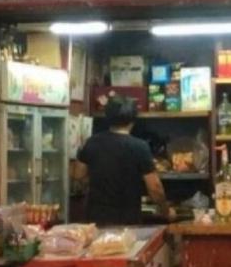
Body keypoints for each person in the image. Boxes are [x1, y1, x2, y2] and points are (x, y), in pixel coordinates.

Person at [75, 95, 175, 225]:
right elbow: (155, 188)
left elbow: (78, 175)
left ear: (107, 117)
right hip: (127, 220)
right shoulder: (140, 147)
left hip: (97, 219)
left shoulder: (91, 142)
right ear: (133, 120)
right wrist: (166, 211)